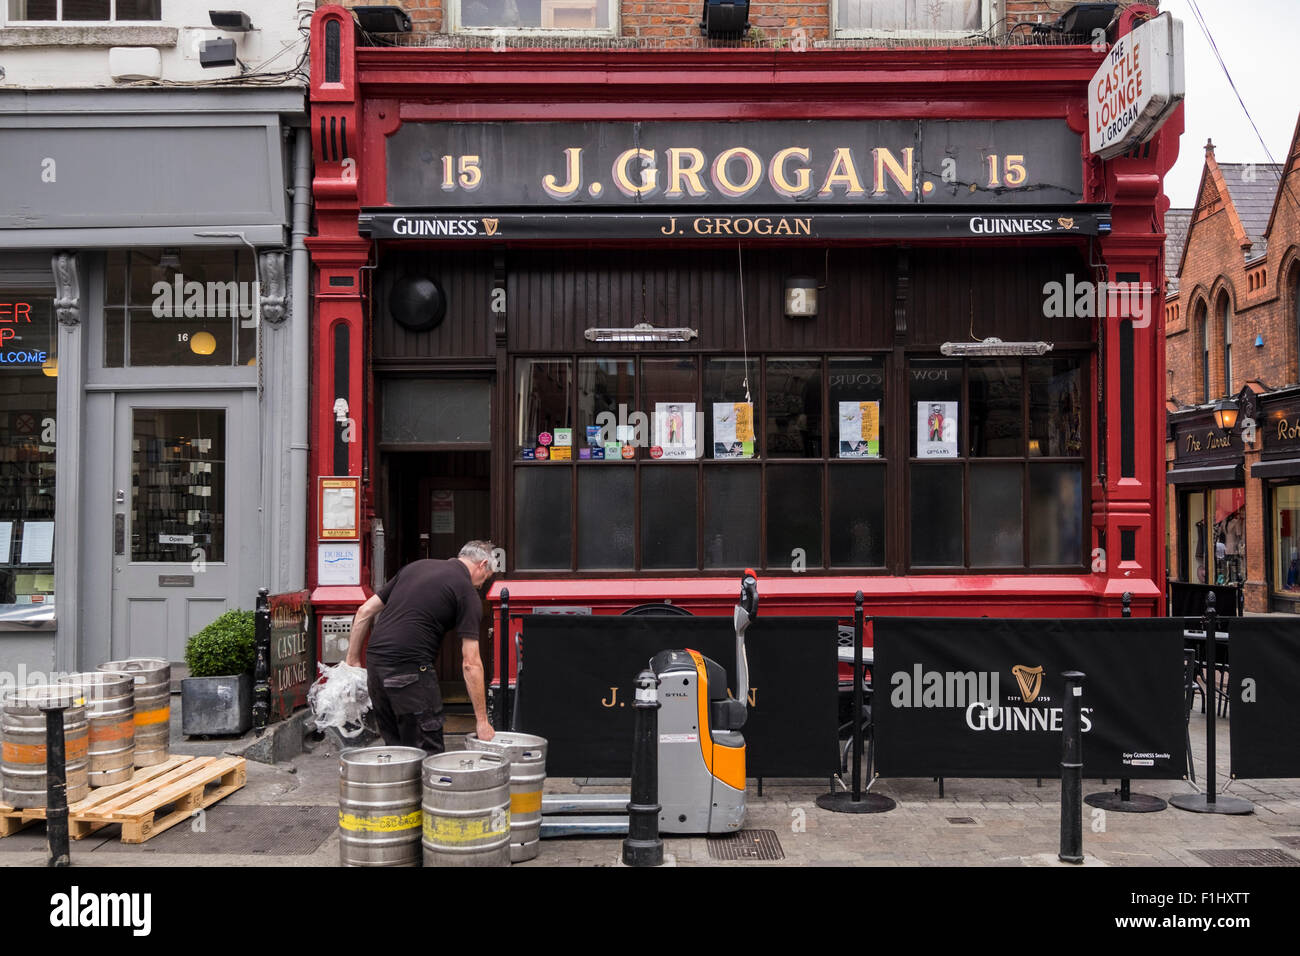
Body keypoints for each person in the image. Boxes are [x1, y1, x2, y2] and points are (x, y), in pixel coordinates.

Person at [345, 540, 497, 753]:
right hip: (410, 671)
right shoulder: (466, 591)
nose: (481, 585)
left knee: (396, 751)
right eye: (486, 578)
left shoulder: (415, 567)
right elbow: (471, 664)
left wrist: (352, 660)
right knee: (427, 752)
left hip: (376, 668)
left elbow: (364, 612)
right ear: (482, 565)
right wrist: (482, 721)